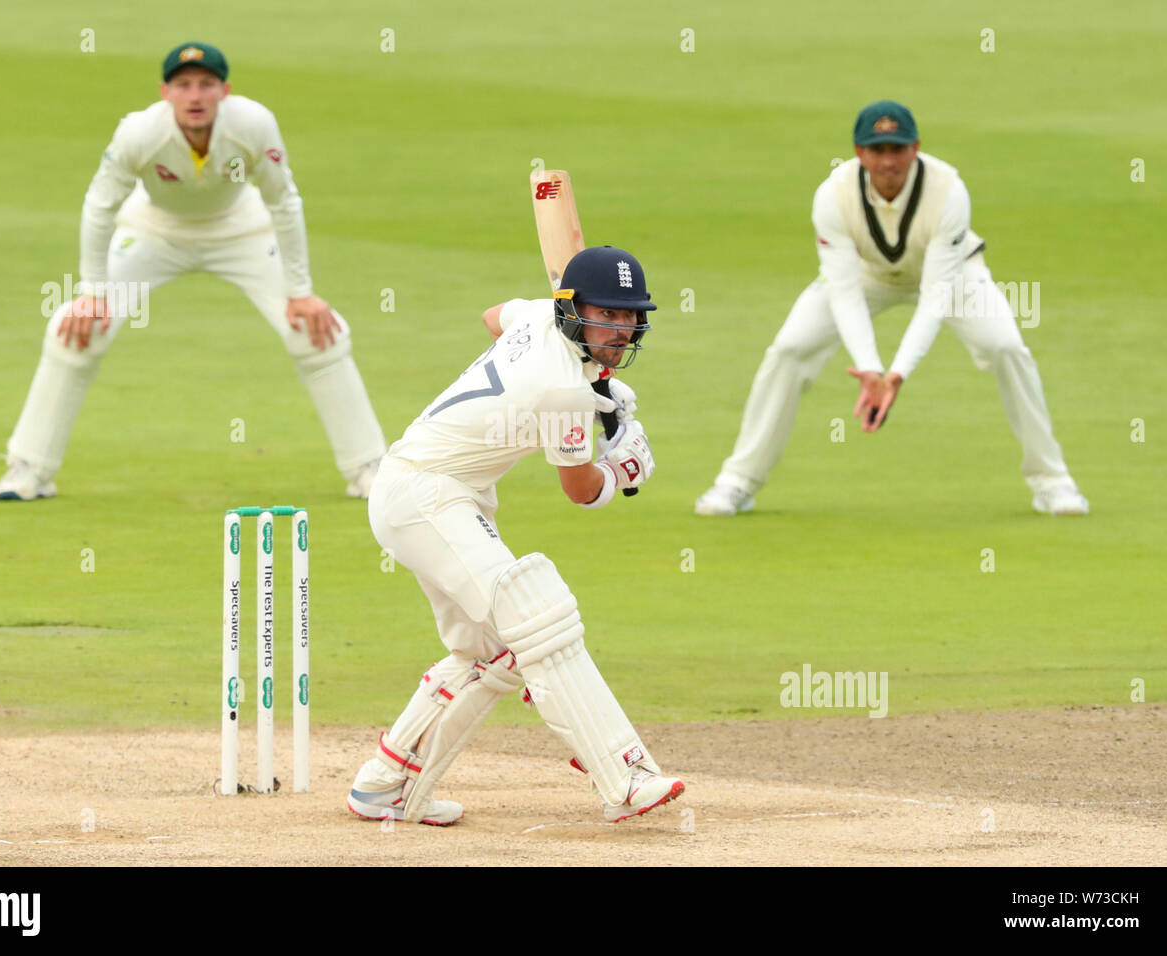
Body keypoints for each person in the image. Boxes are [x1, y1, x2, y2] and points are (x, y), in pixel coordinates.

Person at [345, 246, 685, 825]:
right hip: (425, 496)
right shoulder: (562, 392)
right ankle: (623, 775)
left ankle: (386, 781)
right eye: (608, 314)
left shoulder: (538, 317)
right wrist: (623, 465)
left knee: (490, 652)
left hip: (443, 493)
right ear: (574, 309)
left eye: (630, 317)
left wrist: (589, 373)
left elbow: (493, 315)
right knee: (538, 614)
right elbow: (581, 491)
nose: (621, 330)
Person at [0, 42, 385, 501]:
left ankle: (370, 468)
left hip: (241, 229)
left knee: (317, 332)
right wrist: (92, 292)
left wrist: (300, 290)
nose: (195, 96)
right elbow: (99, 207)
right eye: (183, 86)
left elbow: (284, 201)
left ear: (225, 91)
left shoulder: (254, 124)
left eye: (206, 85)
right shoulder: (138, 133)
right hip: (154, 230)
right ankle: (29, 469)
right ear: (165, 92)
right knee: (75, 329)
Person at [695, 100, 1088, 517]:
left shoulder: (949, 190)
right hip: (868, 276)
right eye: (877, 150)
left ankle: (1052, 482)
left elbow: (937, 295)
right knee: (790, 349)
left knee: (1005, 347)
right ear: (859, 152)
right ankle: (739, 481)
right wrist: (869, 369)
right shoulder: (832, 195)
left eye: (896, 149)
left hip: (952, 274)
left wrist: (896, 373)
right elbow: (844, 292)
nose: (888, 161)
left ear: (915, 148)